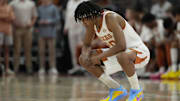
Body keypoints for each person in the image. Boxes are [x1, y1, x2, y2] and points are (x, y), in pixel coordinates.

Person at [74, 1, 150, 101]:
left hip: (139, 53)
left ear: (91, 15)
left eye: (83, 19)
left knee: (122, 56)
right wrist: (85, 55)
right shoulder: (92, 25)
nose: (83, 23)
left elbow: (121, 46)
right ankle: (116, 89)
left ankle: (137, 91)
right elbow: (87, 45)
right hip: (120, 55)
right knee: (83, 59)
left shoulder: (110, 18)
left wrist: (98, 58)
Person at [10, 0, 37, 74]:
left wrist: (31, 24)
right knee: (16, 49)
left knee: (28, 49)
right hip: (16, 29)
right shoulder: (13, 3)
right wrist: (14, 22)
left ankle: (29, 68)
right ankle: (15, 68)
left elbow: (34, 16)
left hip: (27, 29)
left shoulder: (31, 3)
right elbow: (10, 14)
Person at [37, 0, 60, 75]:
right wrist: (40, 21)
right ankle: (41, 68)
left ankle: (52, 67)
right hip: (41, 33)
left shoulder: (54, 8)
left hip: (51, 33)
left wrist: (49, 21)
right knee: (41, 51)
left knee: (52, 51)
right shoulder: (39, 8)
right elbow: (36, 18)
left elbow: (57, 19)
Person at [0, 0, 15, 75]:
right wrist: (6, 16)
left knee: (7, 51)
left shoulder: (9, 7)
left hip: (8, 31)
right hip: (0, 31)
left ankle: (7, 68)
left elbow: (12, 18)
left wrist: (3, 17)